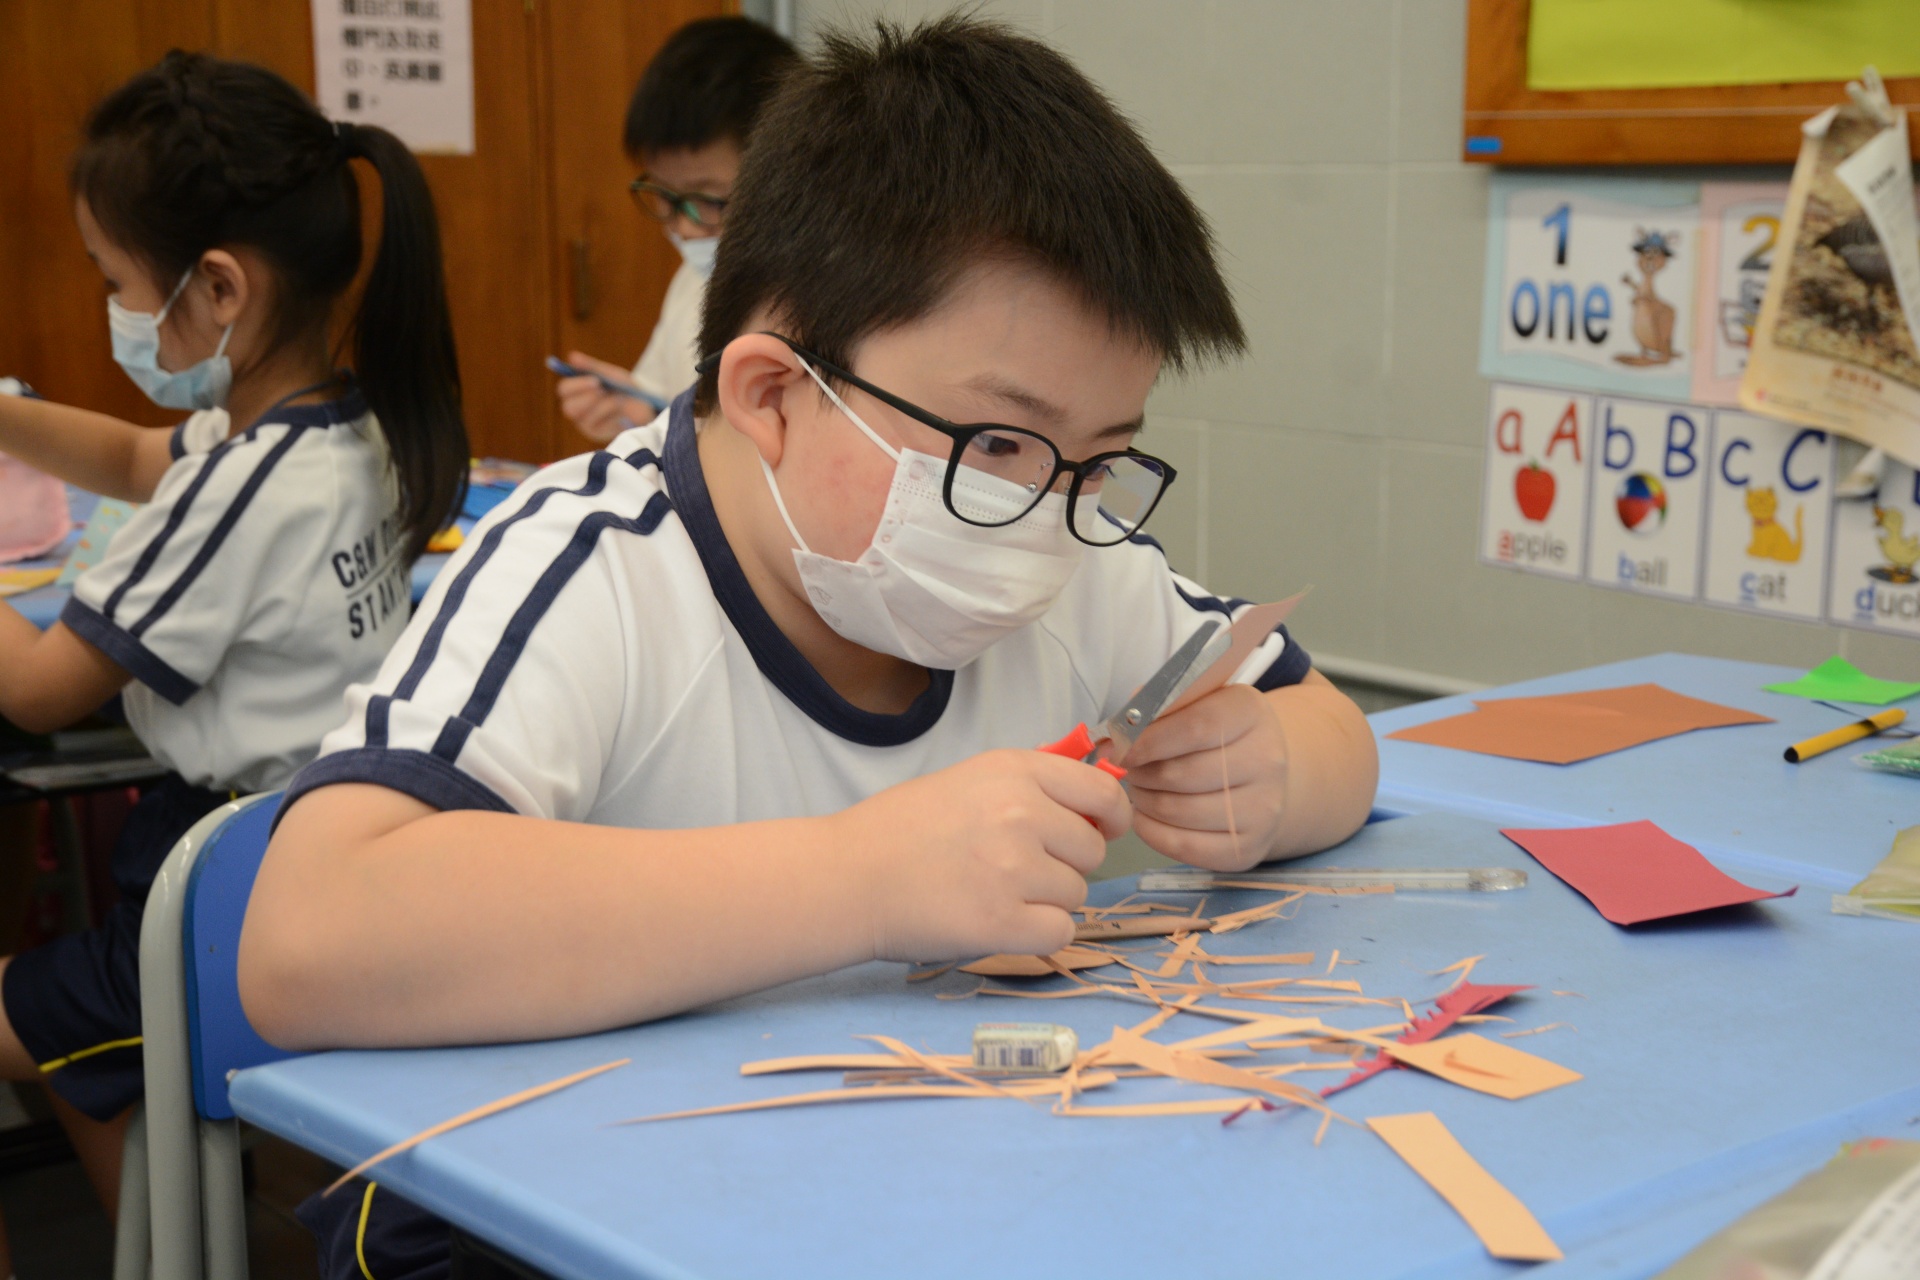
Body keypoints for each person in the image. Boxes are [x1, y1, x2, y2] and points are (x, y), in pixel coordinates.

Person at [243, 16, 1379, 1276]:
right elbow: (307, 938)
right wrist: (862, 879)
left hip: (905, 1197)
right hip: (545, 1217)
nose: (1050, 512)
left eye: (1101, 458)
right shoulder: (597, 569)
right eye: (997, 444)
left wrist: (1268, 773)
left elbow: (1334, 730)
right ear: (774, 394)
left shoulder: (1077, 553)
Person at [0, 50, 467, 1266]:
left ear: (217, 287)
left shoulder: (245, 492)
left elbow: (37, 690)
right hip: (324, 860)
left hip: (225, 896)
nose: (110, 306)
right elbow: (135, 456)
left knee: (24, 1015)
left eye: (113, 279)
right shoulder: (340, 426)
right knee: (72, 1044)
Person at [556, 16, 797, 443]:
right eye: (666, 197)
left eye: (711, 200)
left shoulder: (819, 303)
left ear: (787, 174)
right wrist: (632, 411)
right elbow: (668, 399)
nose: (685, 228)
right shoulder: (693, 279)